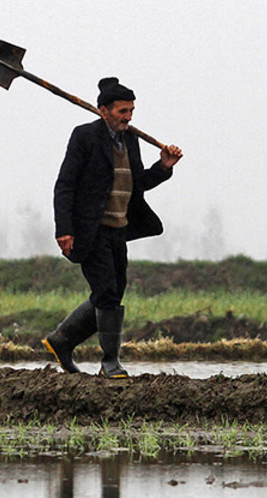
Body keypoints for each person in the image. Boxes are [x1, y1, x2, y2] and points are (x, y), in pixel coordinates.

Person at [45, 77, 183, 377]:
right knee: (106, 292)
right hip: (90, 229)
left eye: (131, 110)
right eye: (122, 111)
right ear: (104, 110)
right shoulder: (85, 137)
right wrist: (64, 229)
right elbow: (65, 185)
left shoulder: (130, 139)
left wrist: (164, 167)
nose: (128, 116)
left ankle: (61, 340)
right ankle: (110, 363)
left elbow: (137, 184)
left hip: (118, 229)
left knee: (114, 291)